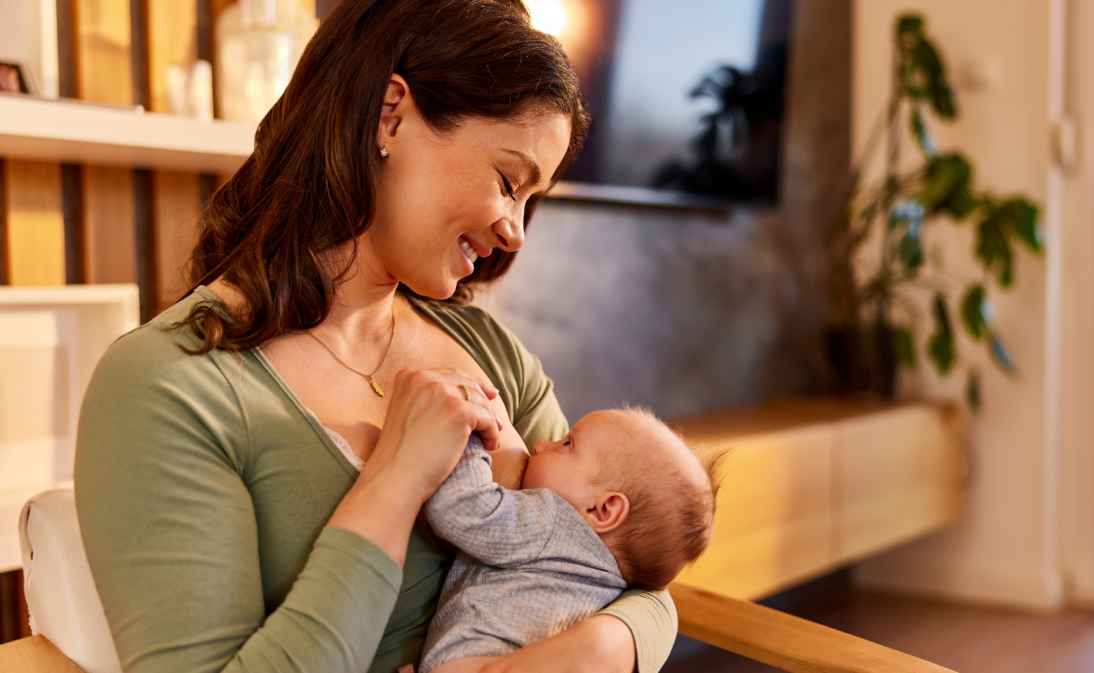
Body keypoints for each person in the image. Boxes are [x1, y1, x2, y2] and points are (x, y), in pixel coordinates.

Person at [73, 1, 676, 672]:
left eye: (531, 200)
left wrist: (597, 648)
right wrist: (397, 475)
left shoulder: (490, 351)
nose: (515, 232)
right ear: (390, 115)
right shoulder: (168, 384)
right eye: (509, 182)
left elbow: (625, 570)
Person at [418, 408, 726, 673]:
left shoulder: (554, 519)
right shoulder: (611, 586)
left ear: (603, 510)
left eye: (566, 444)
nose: (540, 445)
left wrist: (466, 431)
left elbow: (460, 508)